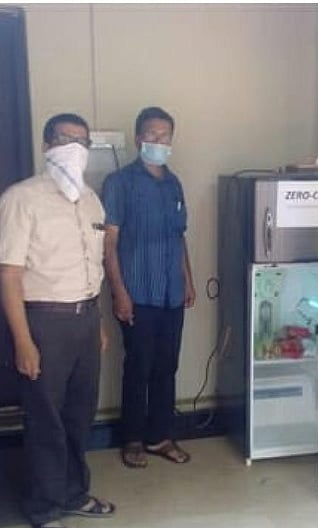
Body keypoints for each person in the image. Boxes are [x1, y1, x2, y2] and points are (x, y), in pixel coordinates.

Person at [0, 113, 115, 528]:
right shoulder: (21, 199)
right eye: (66, 139)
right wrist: (23, 340)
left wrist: (98, 322)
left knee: (80, 415)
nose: (75, 148)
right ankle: (44, 507)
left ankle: (74, 493)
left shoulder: (91, 200)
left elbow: (94, 266)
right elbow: (9, 274)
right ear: (47, 146)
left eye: (83, 142)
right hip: (44, 322)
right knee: (46, 419)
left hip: (86, 319)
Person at [102, 106, 196, 469]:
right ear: (139, 137)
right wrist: (119, 293)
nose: (159, 141)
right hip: (137, 293)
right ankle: (132, 439)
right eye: (152, 134)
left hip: (172, 293)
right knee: (138, 367)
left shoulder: (174, 184)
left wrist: (188, 280)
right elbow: (109, 243)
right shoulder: (119, 183)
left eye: (165, 135)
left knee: (167, 366)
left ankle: (160, 436)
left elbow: (179, 236)